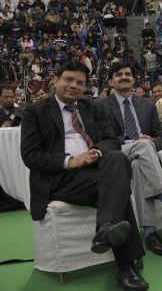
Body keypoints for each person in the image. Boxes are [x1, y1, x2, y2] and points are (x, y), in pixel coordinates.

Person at [20, 61, 148, 291]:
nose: (74, 85)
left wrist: (96, 153)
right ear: (56, 80)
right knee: (117, 188)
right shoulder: (35, 112)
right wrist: (72, 160)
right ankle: (127, 266)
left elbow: (111, 141)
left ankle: (105, 228)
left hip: (97, 168)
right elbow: (31, 155)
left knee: (117, 159)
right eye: (68, 79)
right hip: (60, 176)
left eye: (80, 82)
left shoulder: (94, 108)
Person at [98, 62, 162, 256]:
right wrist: (138, 141)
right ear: (111, 80)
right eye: (119, 74)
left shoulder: (147, 104)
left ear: (134, 79)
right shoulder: (101, 105)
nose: (124, 77)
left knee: (139, 165)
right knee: (142, 145)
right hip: (117, 153)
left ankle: (149, 233)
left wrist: (151, 141)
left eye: (128, 74)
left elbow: (160, 137)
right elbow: (102, 139)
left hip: (142, 156)